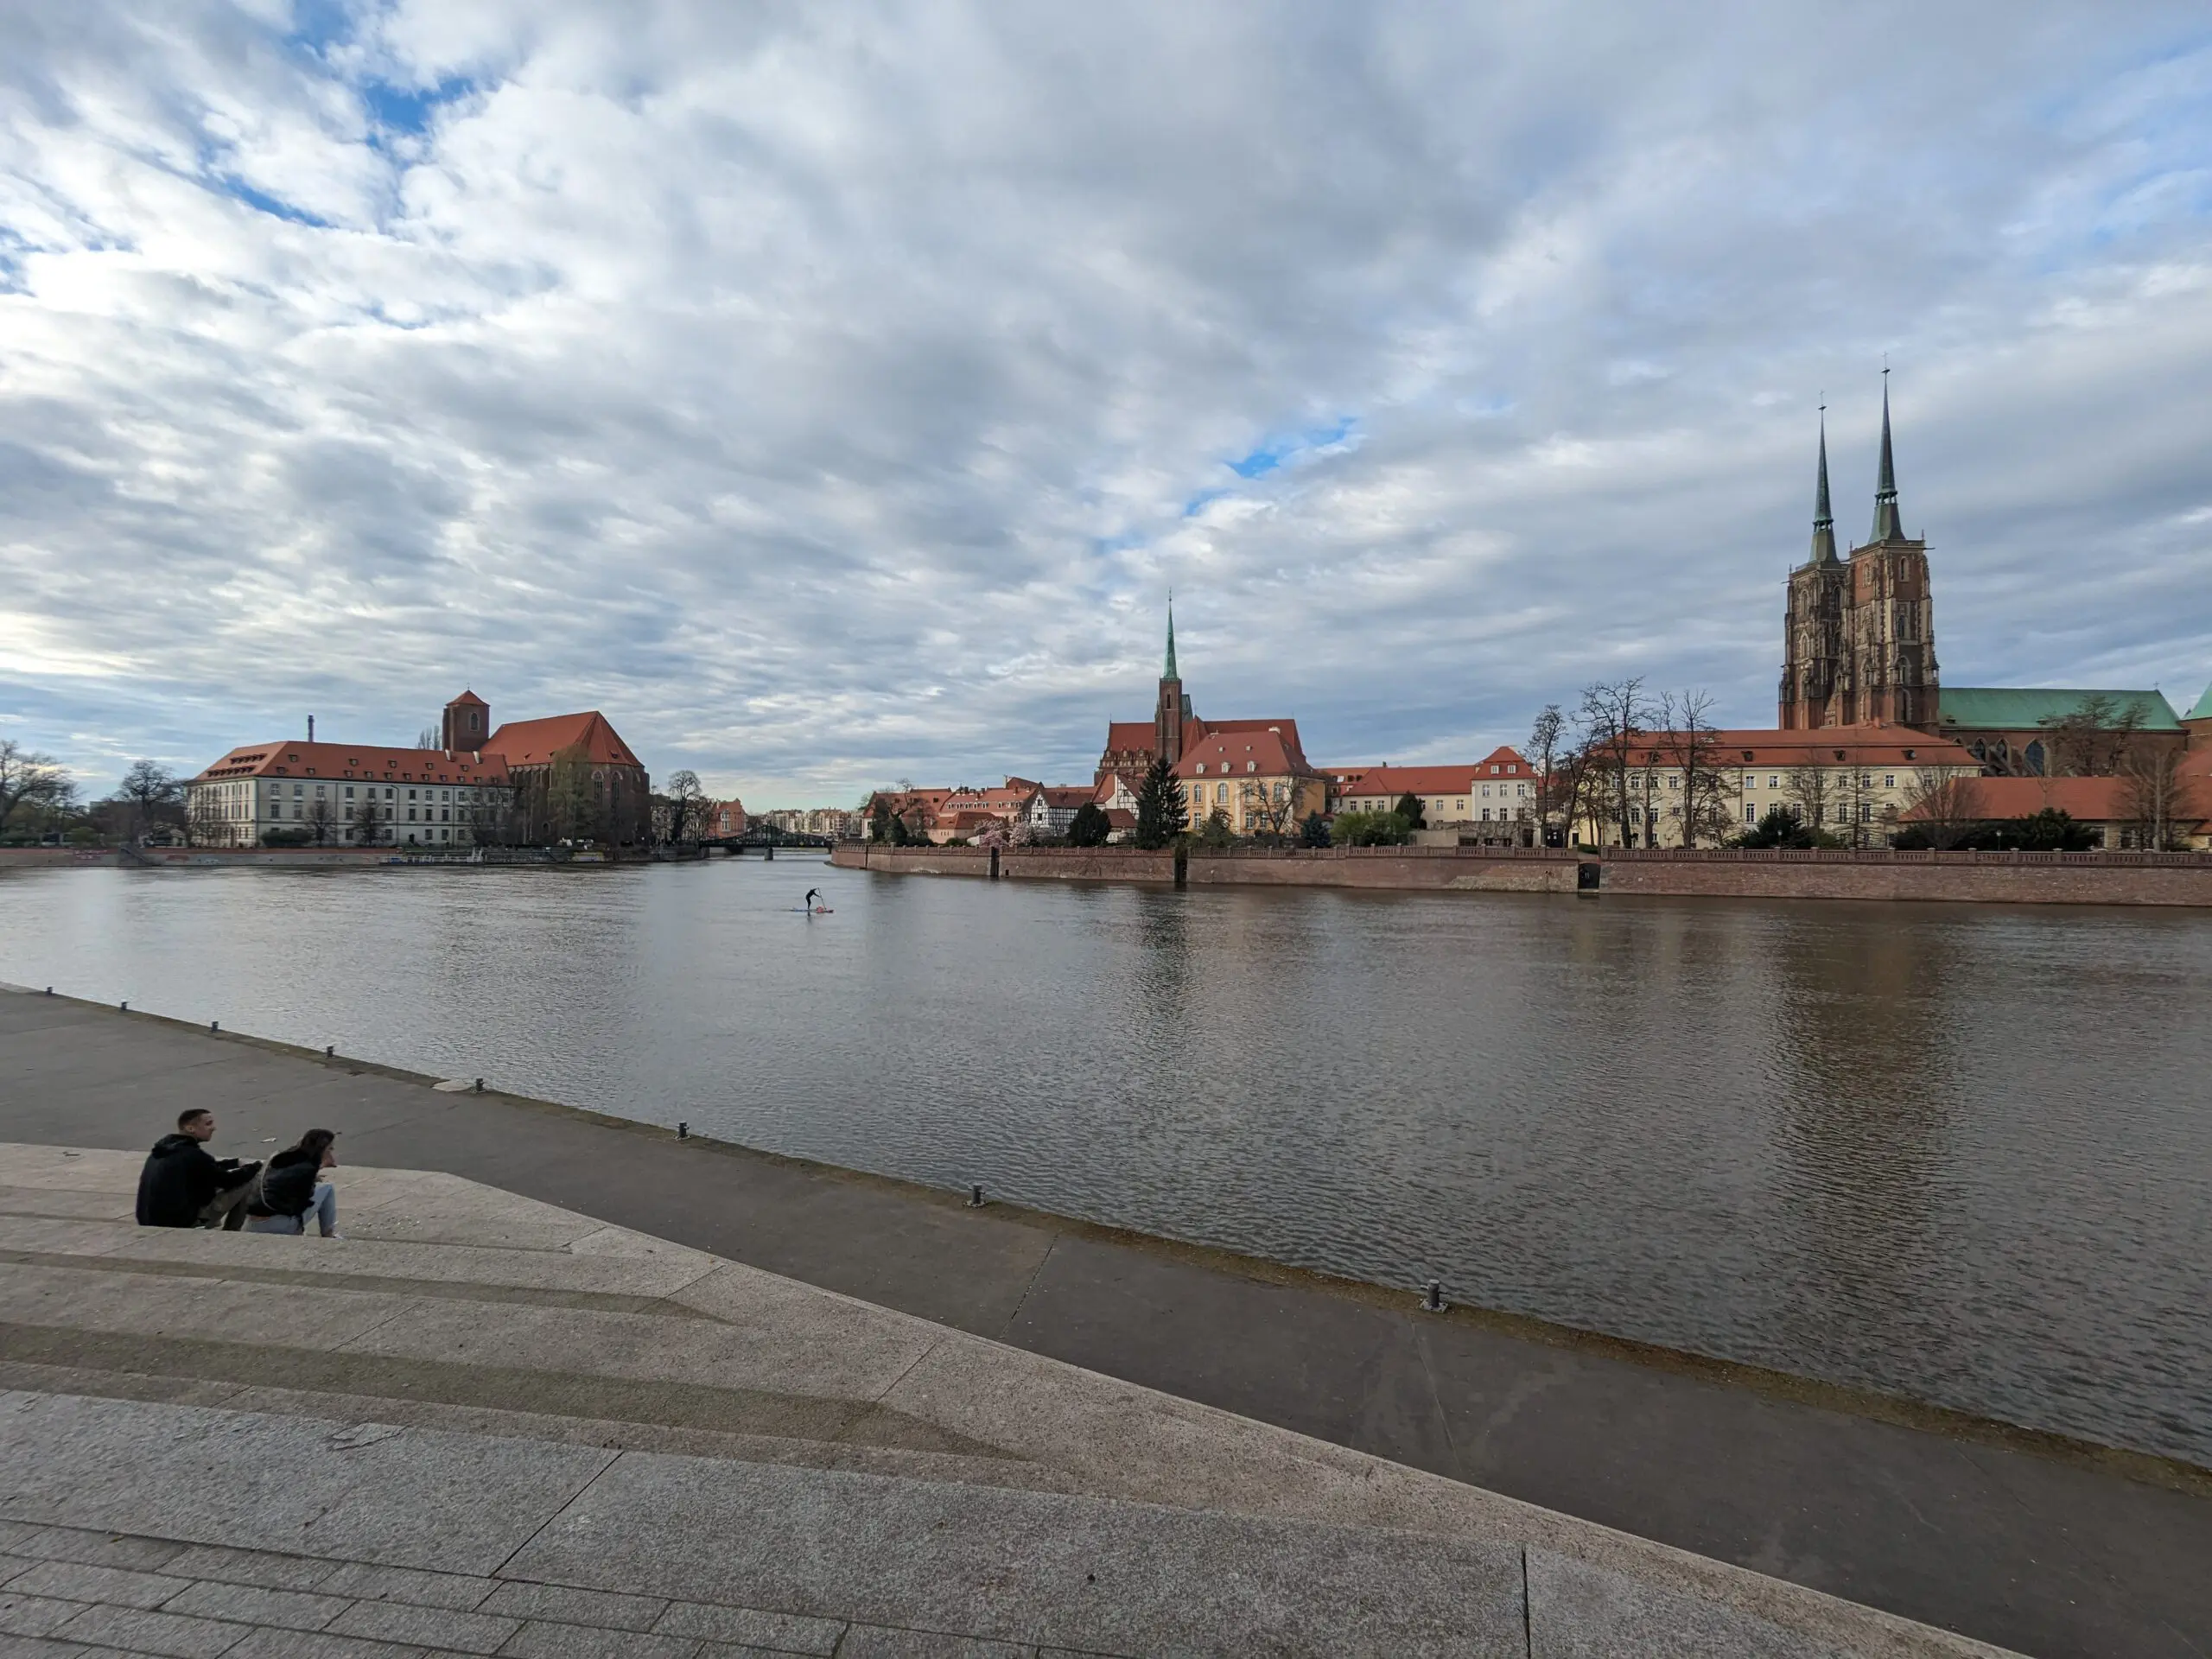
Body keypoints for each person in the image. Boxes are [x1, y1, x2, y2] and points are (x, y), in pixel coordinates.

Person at [136, 1109, 261, 1230]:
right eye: (208, 1124)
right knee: (248, 1181)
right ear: (191, 1128)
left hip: (148, 1220)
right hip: (179, 1224)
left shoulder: (165, 1150)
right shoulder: (193, 1154)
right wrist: (255, 1167)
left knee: (212, 1183)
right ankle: (232, 1230)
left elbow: (205, 1169)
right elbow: (228, 1181)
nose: (214, 1128)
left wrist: (234, 1163)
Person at [244, 1128, 344, 1238]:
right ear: (322, 1150)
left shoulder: (282, 1157)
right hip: (277, 1226)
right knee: (327, 1189)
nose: (331, 1152)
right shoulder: (308, 1169)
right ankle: (328, 1235)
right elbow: (305, 1201)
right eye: (330, 1149)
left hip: (253, 1223)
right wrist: (319, 1168)